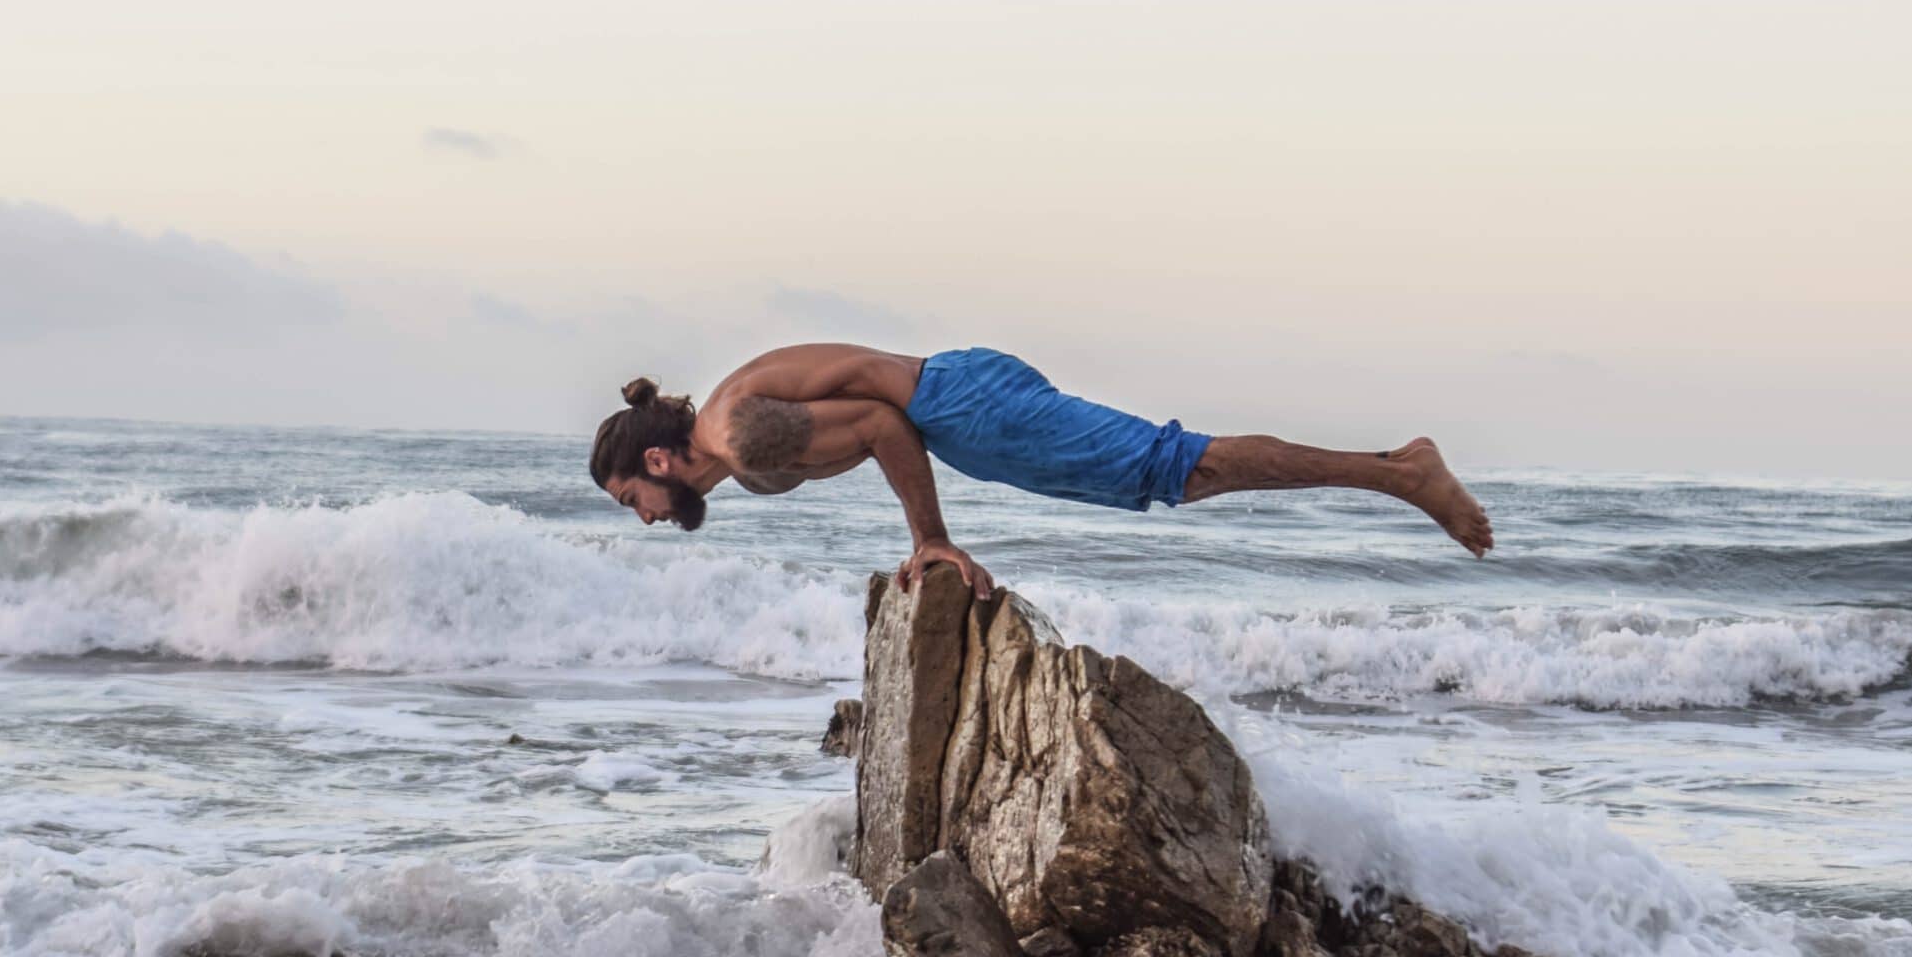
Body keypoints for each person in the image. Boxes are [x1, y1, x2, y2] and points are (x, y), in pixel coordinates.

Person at [587, 343, 1493, 597]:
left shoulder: (737, 435)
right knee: (1170, 476)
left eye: (635, 499)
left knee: (1179, 466)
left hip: (958, 406)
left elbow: (875, 425)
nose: (647, 519)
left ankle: (1401, 472)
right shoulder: (738, 451)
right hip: (963, 403)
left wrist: (931, 540)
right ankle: (1395, 474)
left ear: (658, 461)